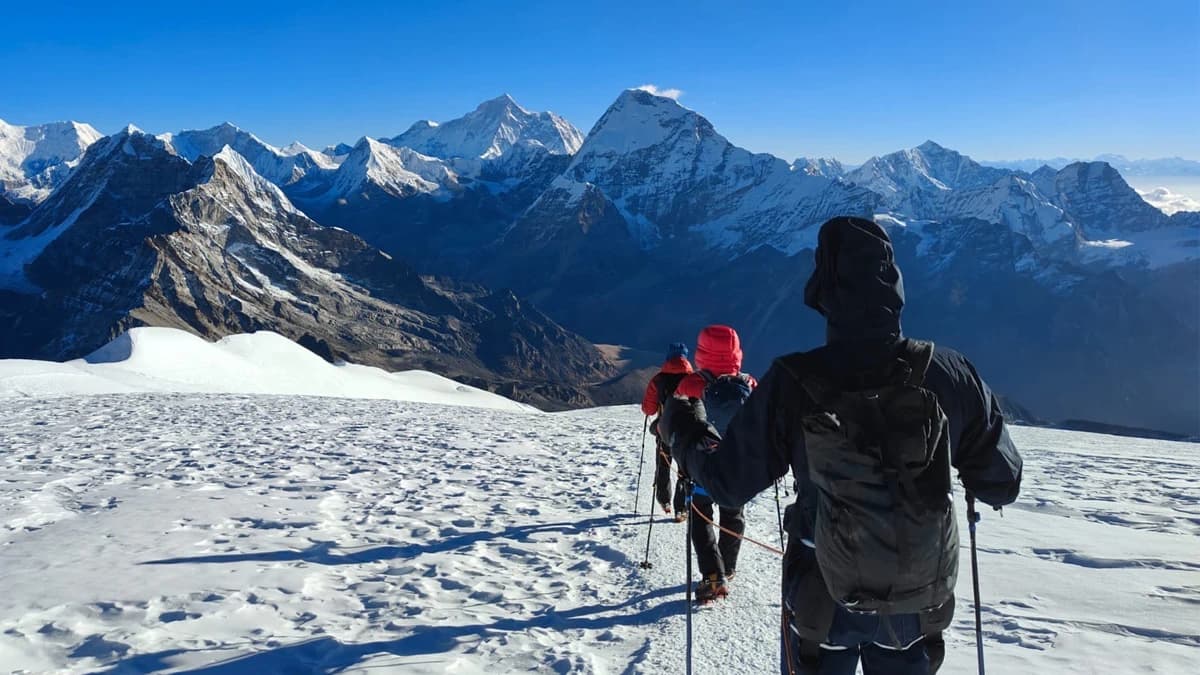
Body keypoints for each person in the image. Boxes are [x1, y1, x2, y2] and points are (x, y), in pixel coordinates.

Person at [663, 217, 1022, 673]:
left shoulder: (793, 381)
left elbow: (727, 484)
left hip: (821, 596)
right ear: (895, 285)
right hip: (918, 598)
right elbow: (1002, 482)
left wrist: (685, 430)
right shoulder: (951, 373)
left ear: (822, 289)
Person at [674, 324, 756, 604]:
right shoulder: (749, 383)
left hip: (704, 468)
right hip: (738, 467)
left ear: (702, 352)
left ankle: (713, 576)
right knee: (733, 515)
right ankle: (728, 567)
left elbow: (678, 413)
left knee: (701, 518)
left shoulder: (691, 384)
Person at [641, 342, 694, 520]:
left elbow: (648, 409)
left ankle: (664, 500)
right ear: (685, 357)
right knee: (684, 470)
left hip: (664, 430)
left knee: (663, 464)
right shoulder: (693, 379)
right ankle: (682, 508)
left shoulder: (658, 380)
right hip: (687, 432)